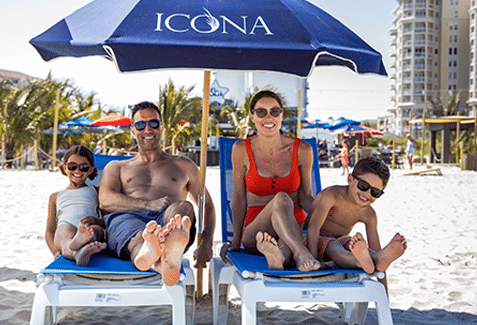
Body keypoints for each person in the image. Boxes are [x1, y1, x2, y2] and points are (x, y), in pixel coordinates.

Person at [99, 101, 216, 286]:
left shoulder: (184, 166)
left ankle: (167, 250)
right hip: (127, 218)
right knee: (140, 237)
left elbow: (206, 205)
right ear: (132, 130)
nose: (147, 129)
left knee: (183, 207)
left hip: (168, 218)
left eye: (153, 123)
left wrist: (207, 244)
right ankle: (160, 263)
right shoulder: (117, 167)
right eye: (140, 125)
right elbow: (105, 201)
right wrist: (148, 205)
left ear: (161, 127)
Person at [220, 90, 320, 272]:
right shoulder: (241, 149)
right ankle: (300, 252)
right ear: (252, 116)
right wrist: (235, 242)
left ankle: (279, 257)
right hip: (256, 231)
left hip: (293, 225)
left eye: (274, 112)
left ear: (281, 115)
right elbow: (239, 199)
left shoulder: (302, 150)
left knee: (286, 240)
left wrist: (323, 225)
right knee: (281, 199)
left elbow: (306, 196)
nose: (269, 117)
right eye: (261, 112)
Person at [306, 157, 407, 291]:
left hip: (341, 241)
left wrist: (384, 293)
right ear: (350, 180)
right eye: (363, 186)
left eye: (375, 192)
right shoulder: (332, 195)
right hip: (313, 242)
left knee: (351, 243)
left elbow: (377, 249)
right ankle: (359, 261)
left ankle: (368, 259)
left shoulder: (369, 214)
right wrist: (315, 261)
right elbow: (313, 227)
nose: (367, 194)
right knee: (334, 246)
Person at [45, 145, 106, 266]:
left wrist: (98, 221)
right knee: (63, 232)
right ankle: (77, 253)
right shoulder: (55, 196)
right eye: (72, 166)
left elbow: (108, 217)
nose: (77, 171)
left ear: (91, 170)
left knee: (96, 230)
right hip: (67, 228)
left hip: (89, 227)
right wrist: (56, 252)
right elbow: (50, 231)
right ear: (64, 167)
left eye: (83, 167)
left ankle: (82, 244)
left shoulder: (97, 191)